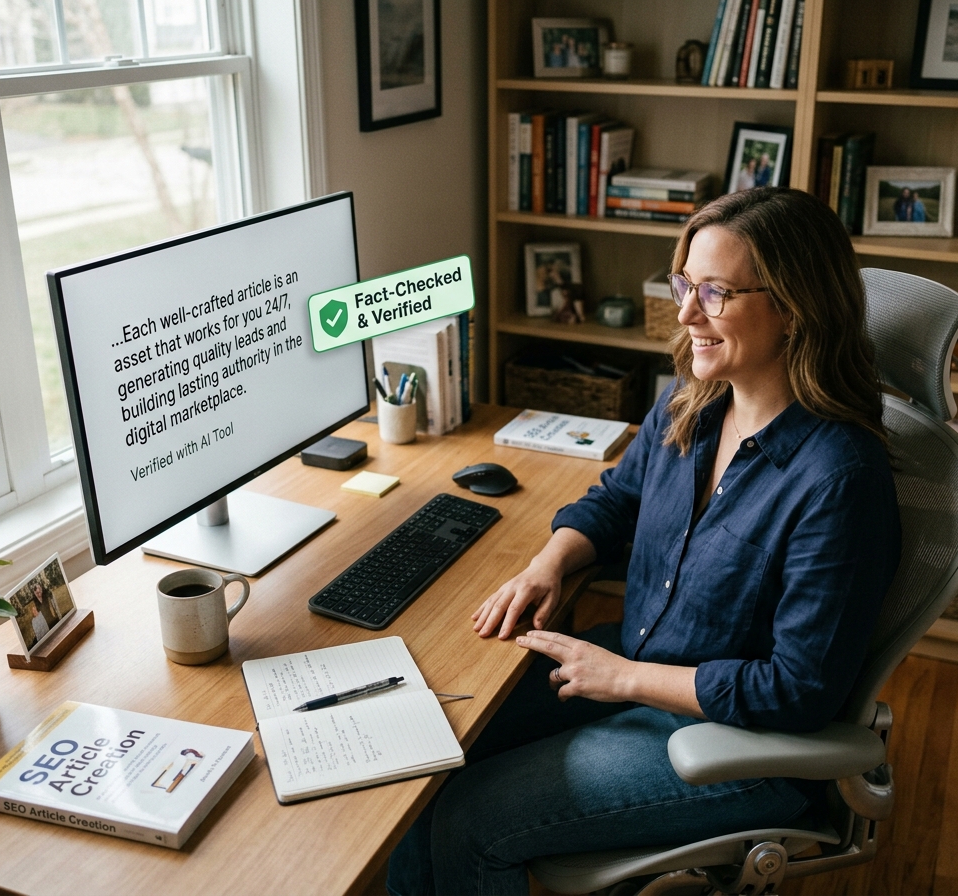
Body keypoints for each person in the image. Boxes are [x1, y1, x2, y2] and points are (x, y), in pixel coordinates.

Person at [386, 188, 902, 896]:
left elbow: (798, 690)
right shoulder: (692, 397)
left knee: (472, 819)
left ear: (795, 307)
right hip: (635, 667)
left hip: (736, 748)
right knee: (425, 755)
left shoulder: (839, 478)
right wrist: (550, 564)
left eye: (714, 293)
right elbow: (617, 500)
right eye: (684, 283)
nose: (686, 312)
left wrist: (622, 677)